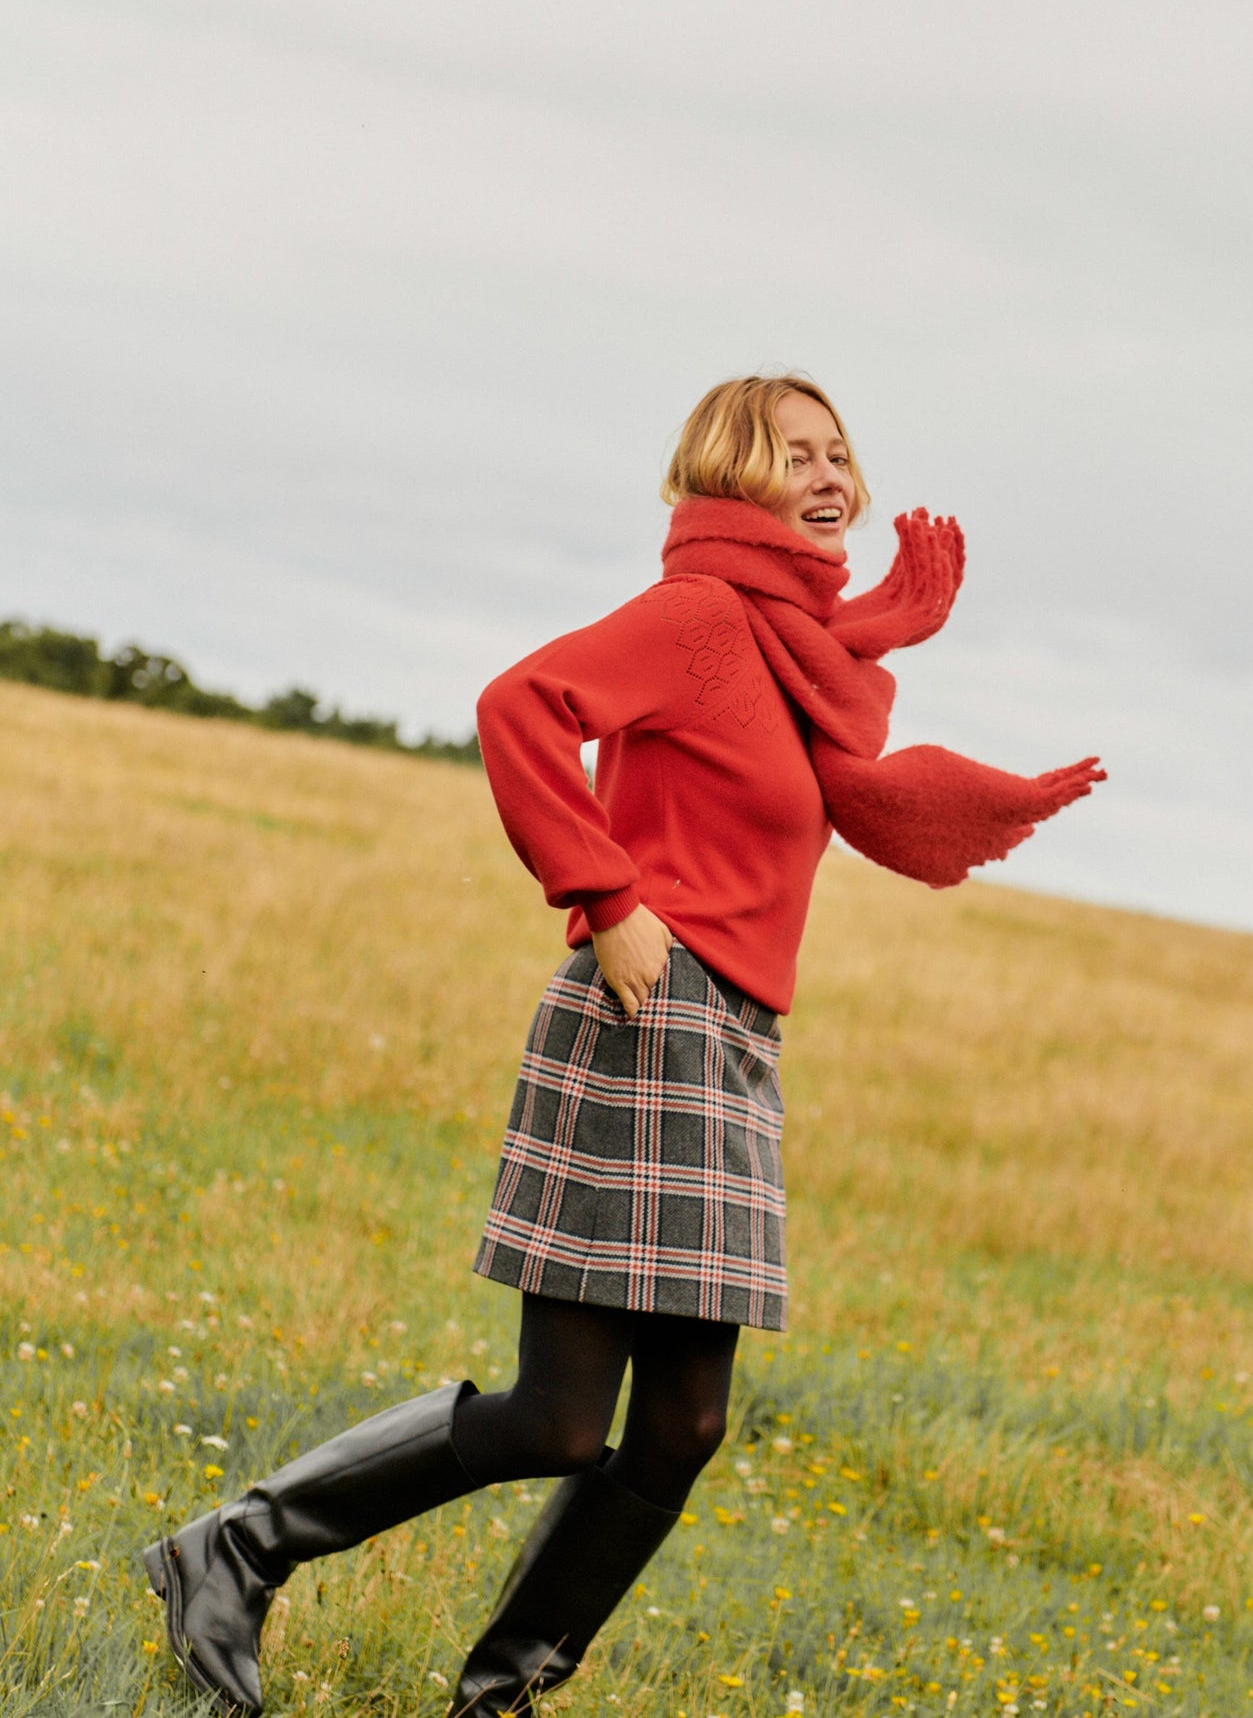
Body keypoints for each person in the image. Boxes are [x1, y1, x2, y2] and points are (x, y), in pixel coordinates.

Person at [141, 375, 1103, 1717]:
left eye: (842, 453)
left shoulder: (808, 654)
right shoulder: (704, 620)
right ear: (730, 468)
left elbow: (819, 769)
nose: (832, 475)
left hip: (734, 1040)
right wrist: (607, 898)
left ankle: (503, 1692)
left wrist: (884, 629)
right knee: (559, 1419)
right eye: (796, 452)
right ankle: (232, 1549)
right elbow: (520, 704)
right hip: (649, 1012)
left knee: (683, 1426)